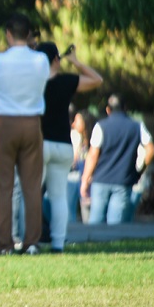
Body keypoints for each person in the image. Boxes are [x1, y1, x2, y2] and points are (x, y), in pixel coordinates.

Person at [0, 13, 50, 255]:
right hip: (32, 123)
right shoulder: (41, 60)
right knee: (32, 186)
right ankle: (31, 242)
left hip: (5, 123)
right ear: (29, 34)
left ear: (8, 34)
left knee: (3, 185)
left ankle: (4, 243)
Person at [34, 42, 102, 251]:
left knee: (33, 194)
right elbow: (96, 79)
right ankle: (57, 243)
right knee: (58, 196)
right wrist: (75, 62)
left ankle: (31, 241)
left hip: (40, 143)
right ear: (57, 59)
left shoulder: (34, 82)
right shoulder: (66, 81)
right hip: (63, 145)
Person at [81, 94, 154, 224]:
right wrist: (140, 170)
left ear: (108, 110)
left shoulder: (101, 126)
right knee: (115, 223)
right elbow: (151, 150)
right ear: (125, 108)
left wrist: (85, 179)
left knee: (95, 221)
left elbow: (93, 155)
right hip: (123, 180)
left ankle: (93, 243)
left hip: (101, 179)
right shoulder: (137, 126)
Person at [67, 109, 96, 223]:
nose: (73, 124)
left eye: (76, 121)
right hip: (79, 179)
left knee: (88, 215)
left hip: (90, 181)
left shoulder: (93, 141)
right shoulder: (78, 139)